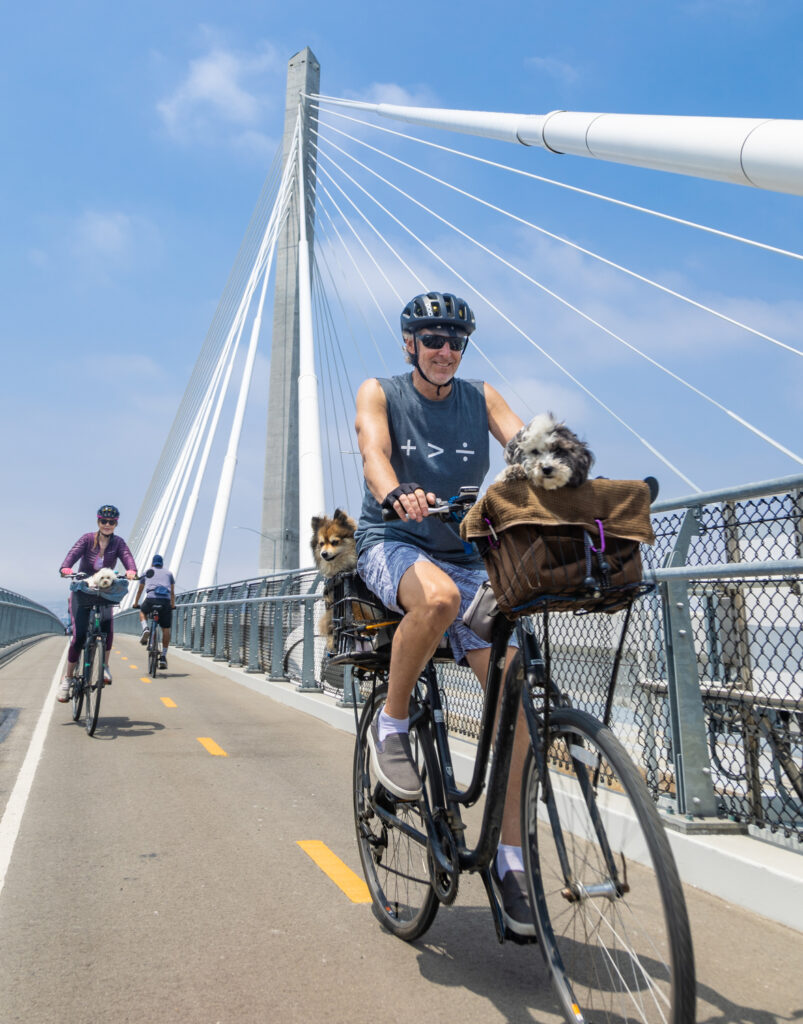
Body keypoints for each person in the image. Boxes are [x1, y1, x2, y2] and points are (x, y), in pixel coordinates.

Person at [354, 290, 535, 938]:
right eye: (431, 338)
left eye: (455, 341)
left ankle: (510, 862)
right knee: (436, 600)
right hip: (393, 543)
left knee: (517, 696)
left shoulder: (479, 396)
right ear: (410, 343)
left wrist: (558, 473)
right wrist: (393, 490)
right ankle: (393, 726)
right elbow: (374, 452)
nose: (444, 350)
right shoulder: (379, 390)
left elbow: (522, 440)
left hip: (463, 552)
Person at [58, 504, 138, 702]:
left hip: (103, 592)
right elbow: (73, 554)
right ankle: (67, 679)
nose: (107, 525)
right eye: (104, 521)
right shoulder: (87, 539)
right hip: (83, 591)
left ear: (116, 524)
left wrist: (131, 571)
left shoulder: (118, 543)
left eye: (111, 522)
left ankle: (104, 667)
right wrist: (66, 568)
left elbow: (127, 557)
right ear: (98, 521)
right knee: (79, 636)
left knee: (107, 629)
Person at [132, 554, 176, 670]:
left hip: (151, 600)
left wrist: (136, 603)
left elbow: (140, 590)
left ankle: (145, 628)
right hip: (165, 602)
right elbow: (172, 592)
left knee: (142, 612)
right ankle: (163, 657)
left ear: (152, 563)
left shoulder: (147, 572)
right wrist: (172, 605)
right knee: (166, 628)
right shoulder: (169, 573)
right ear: (162, 564)